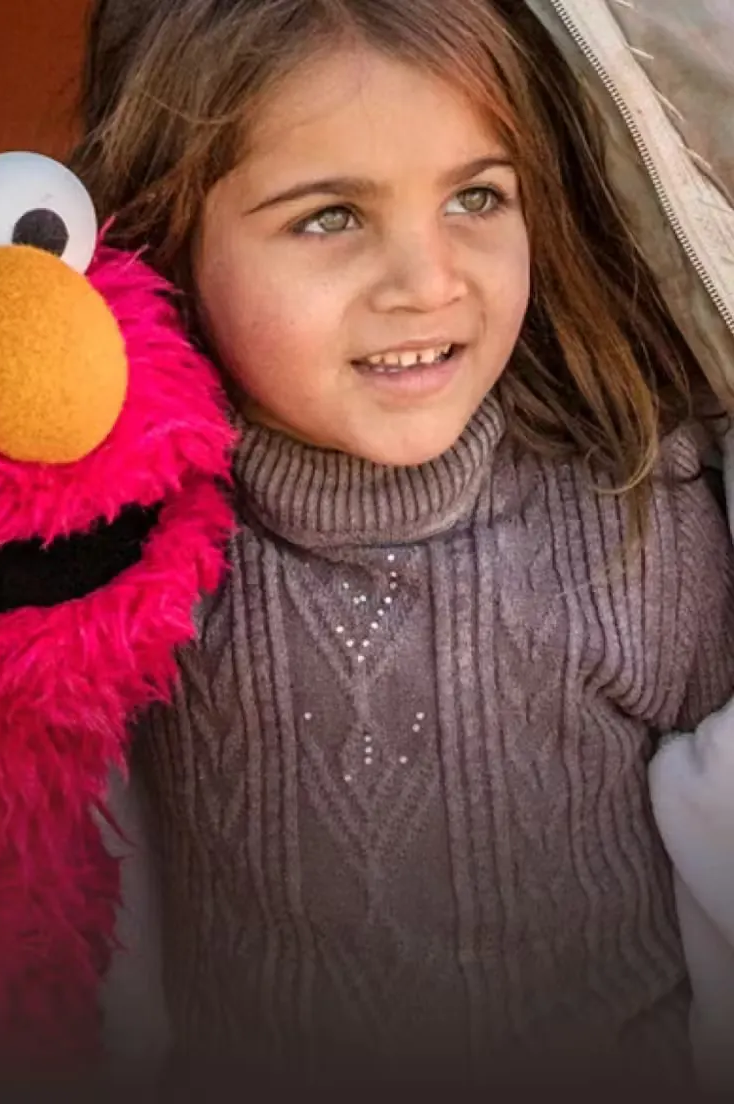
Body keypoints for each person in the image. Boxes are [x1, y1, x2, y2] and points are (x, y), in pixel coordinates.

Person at [74, 0, 734, 1093]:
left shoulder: (629, 506)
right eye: (330, 217)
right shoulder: (139, 553)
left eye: (478, 196)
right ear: (171, 229)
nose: (428, 282)